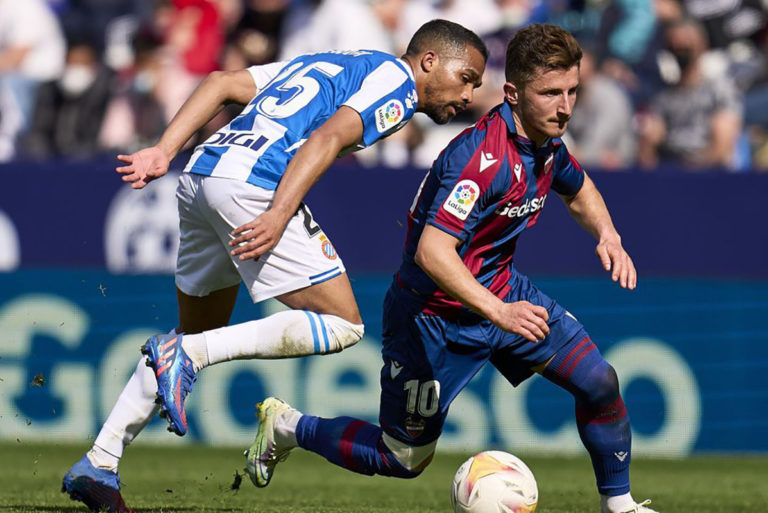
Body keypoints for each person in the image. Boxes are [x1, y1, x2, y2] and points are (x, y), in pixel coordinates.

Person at [61, 19, 487, 513]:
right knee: (344, 324)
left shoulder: (332, 64)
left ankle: (100, 461)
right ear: (429, 61)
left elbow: (221, 83)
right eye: (467, 77)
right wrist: (278, 214)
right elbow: (326, 140)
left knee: (196, 334)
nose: (471, 94)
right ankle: (184, 359)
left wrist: (164, 150)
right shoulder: (397, 85)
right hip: (252, 186)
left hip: (202, 174)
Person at [245, 24, 660, 513]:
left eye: (572, 91)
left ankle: (622, 505)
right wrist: (501, 313)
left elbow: (578, 185)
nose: (565, 106)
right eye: (550, 93)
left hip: (502, 292)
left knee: (599, 381)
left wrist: (607, 234)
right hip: (432, 318)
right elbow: (432, 252)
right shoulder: (481, 160)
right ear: (512, 93)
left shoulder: (547, 144)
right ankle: (290, 427)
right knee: (402, 456)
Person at [637, 17, 742, 169]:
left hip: (709, 177)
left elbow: (721, 150)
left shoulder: (720, 90)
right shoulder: (662, 97)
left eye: (686, 44)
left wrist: (686, 168)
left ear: (702, 46)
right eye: (673, 45)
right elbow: (647, 153)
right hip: (668, 173)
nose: (679, 48)